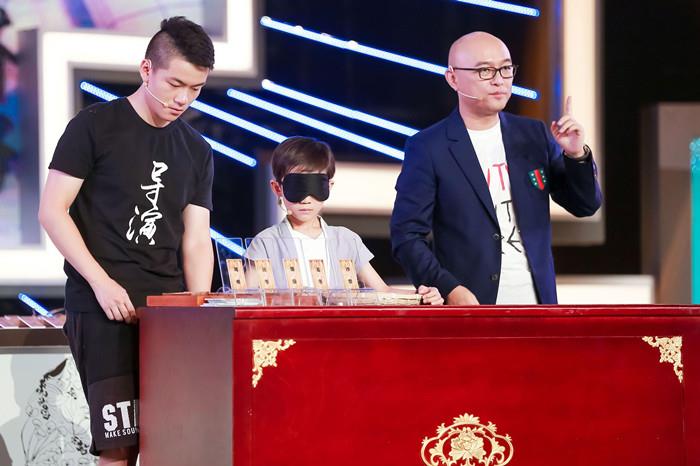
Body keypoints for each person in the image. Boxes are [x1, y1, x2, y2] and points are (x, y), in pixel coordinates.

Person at [38, 17, 215, 465]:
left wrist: (198, 309)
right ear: (146, 69)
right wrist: (102, 284)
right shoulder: (94, 126)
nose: (183, 99)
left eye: (195, 89)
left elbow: (197, 238)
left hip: (168, 313)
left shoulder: (197, 149)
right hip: (102, 308)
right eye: (175, 84)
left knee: (171, 440)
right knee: (119, 445)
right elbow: (52, 211)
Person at [390, 31, 602, 306]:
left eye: (505, 68)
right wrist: (449, 288)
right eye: (485, 71)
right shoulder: (429, 147)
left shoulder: (533, 135)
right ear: (453, 78)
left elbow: (585, 205)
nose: (499, 80)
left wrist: (575, 154)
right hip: (470, 306)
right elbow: (406, 236)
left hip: (538, 306)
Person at [246, 136, 443, 304]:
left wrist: (422, 296)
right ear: (277, 188)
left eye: (315, 187)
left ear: (329, 186)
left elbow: (382, 291)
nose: (306, 199)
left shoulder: (346, 240)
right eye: (297, 187)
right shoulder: (266, 243)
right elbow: (246, 297)